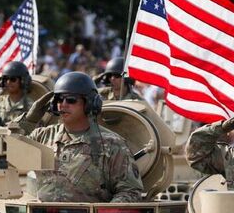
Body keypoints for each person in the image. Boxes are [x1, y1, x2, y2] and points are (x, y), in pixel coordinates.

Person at [23, 72, 144, 203]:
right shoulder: (42, 136)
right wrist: (28, 121)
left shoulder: (111, 144)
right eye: (59, 99)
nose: (63, 104)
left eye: (71, 100)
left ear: (89, 103)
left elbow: (130, 191)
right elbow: (4, 152)